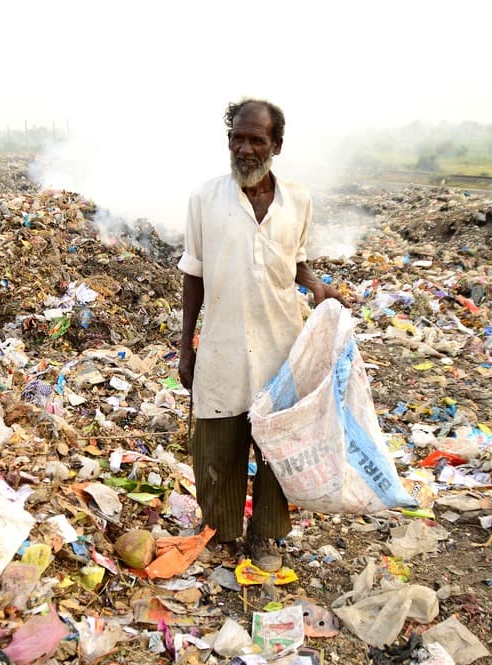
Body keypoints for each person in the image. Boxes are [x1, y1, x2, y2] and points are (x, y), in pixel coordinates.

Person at [177, 99, 348, 572]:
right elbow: (193, 274)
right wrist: (185, 346)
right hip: (222, 343)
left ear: (277, 144)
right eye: (238, 138)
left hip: (281, 343)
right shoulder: (205, 199)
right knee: (216, 441)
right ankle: (222, 531)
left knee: (276, 444)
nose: (245, 149)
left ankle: (266, 537)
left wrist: (315, 286)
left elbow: (295, 260)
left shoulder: (299, 200)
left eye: (257, 139)